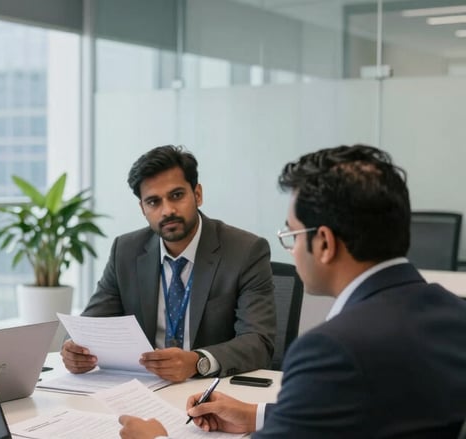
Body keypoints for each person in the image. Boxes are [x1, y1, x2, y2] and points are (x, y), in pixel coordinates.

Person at [118, 144, 466, 438]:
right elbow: (370, 411)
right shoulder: (454, 315)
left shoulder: (331, 349)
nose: (292, 249)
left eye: (293, 235)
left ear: (325, 243)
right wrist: (258, 415)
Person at [62, 145, 276, 383]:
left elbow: (258, 341)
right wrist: (74, 351)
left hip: (211, 389)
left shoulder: (245, 251)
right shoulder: (125, 251)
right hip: (144, 387)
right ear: (142, 208)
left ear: (197, 194)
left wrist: (197, 361)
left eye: (176, 195)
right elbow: (91, 326)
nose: (167, 210)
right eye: (153, 202)